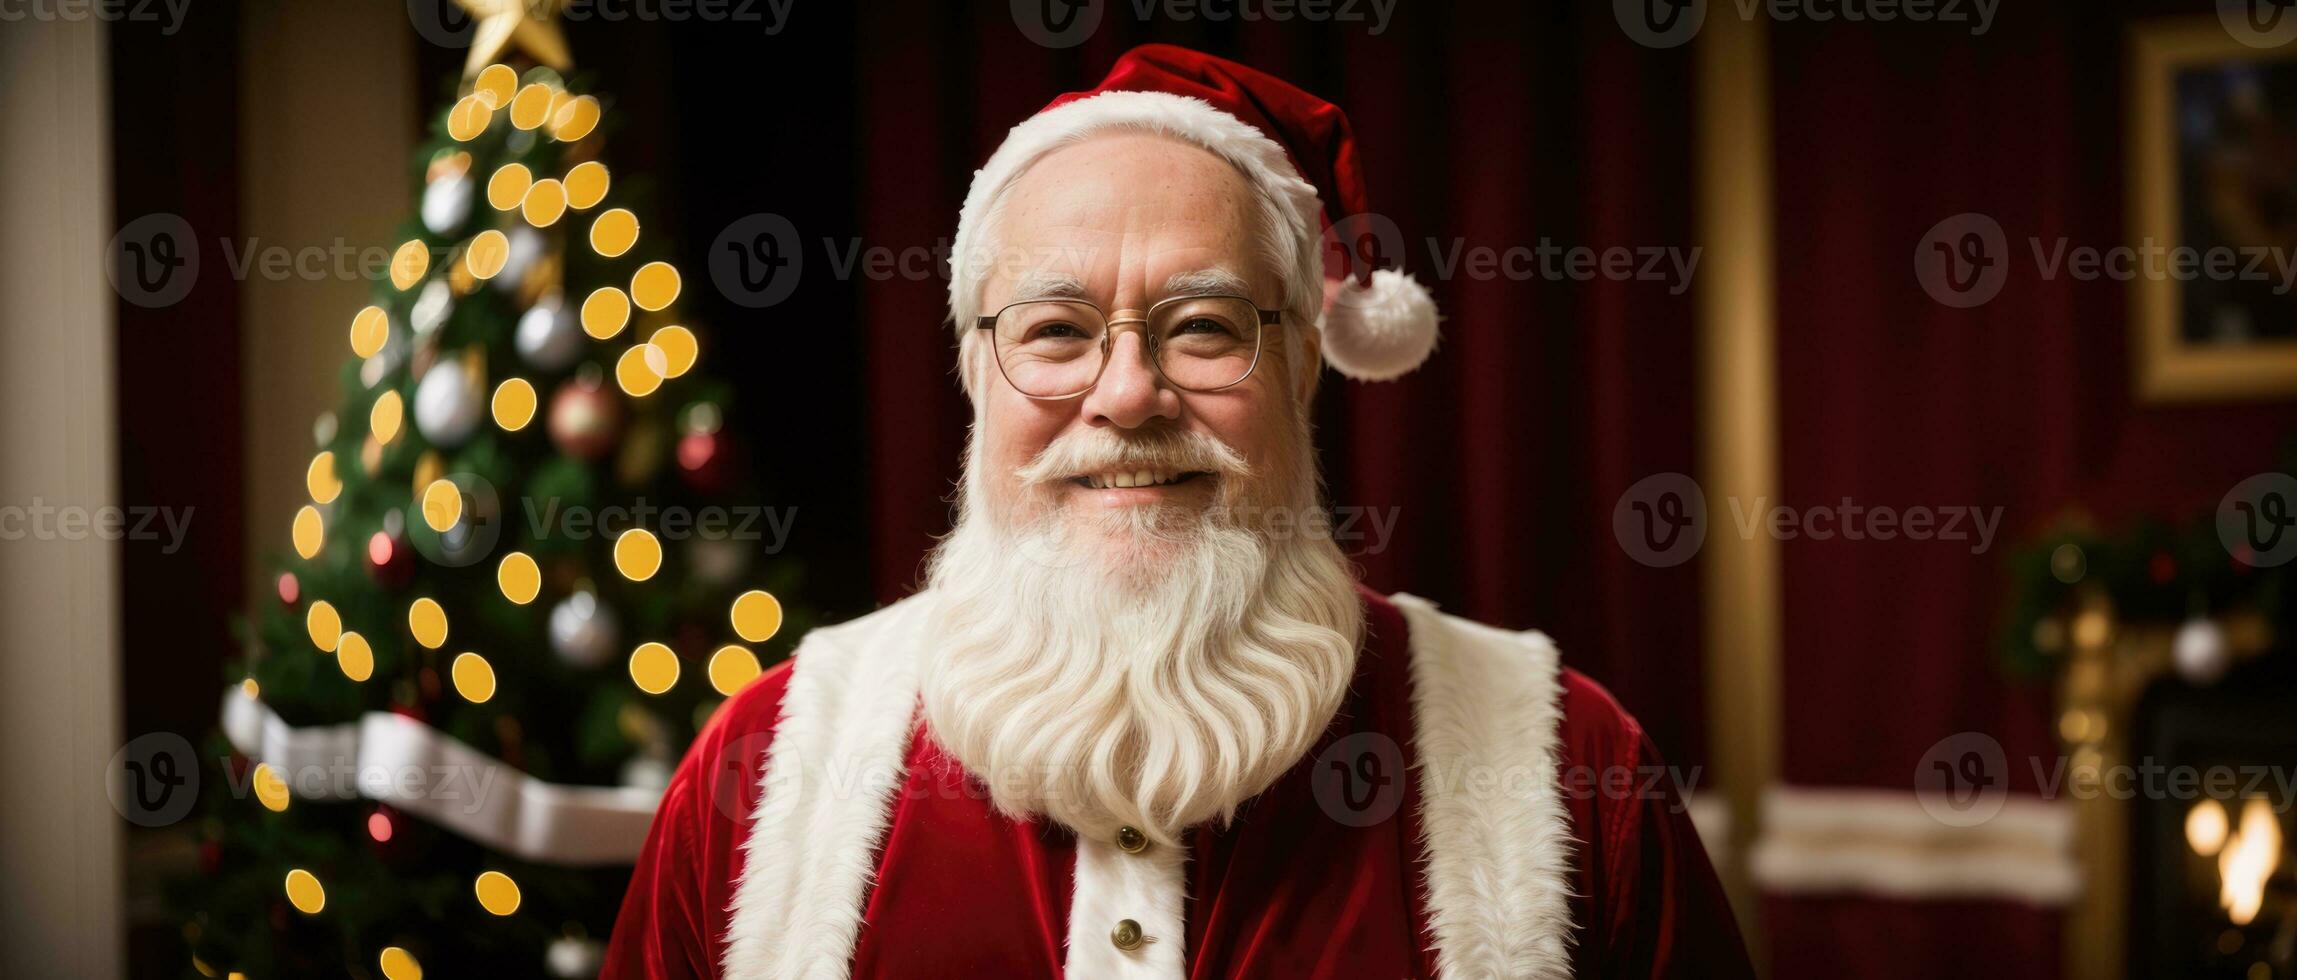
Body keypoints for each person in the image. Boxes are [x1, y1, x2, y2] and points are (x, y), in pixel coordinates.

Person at [603, 43, 1752, 980]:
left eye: (1202, 326)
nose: (1124, 393)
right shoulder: (757, 769)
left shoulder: (1570, 764)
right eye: (1053, 330)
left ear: (1302, 360)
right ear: (972, 370)